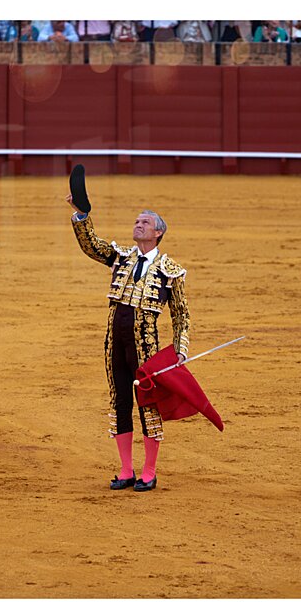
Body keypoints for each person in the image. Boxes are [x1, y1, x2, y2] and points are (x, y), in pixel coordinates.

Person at [67, 196, 191, 492]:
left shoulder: (169, 270)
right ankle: (125, 469)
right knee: (120, 401)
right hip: (114, 342)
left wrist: (180, 349)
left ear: (158, 232)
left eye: (144, 222)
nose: (137, 225)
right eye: (136, 221)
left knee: (147, 405)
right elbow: (92, 246)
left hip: (145, 348)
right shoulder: (122, 256)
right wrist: (82, 215)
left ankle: (149, 471)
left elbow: (181, 315)